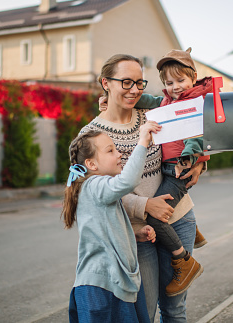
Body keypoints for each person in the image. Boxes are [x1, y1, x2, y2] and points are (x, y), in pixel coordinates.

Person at [80, 54, 205, 322]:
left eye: (139, 82)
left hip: (178, 218)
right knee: (145, 313)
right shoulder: (91, 135)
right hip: (138, 232)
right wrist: (144, 205)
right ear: (106, 83)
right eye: (126, 82)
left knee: (175, 310)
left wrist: (200, 166)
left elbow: (193, 137)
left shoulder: (154, 114)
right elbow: (89, 189)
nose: (135, 90)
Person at [131, 47, 213, 296]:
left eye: (180, 80)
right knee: (158, 200)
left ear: (193, 77)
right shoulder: (170, 99)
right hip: (167, 169)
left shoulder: (197, 102)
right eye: (169, 82)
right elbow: (154, 101)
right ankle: (194, 233)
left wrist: (189, 158)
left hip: (180, 168)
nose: (175, 86)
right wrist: (118, 97)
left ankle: (184, 261)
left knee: (155, 216)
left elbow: (197, 135)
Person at [62, 120, 161, 323]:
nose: (119, 155)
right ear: (91, 164)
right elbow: (128, 181)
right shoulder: (95, 185)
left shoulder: (95, 190)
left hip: (110, 283)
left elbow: (103, 230)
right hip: (102, 288)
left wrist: (133, 235)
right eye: (110, 151)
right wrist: (143, 140)